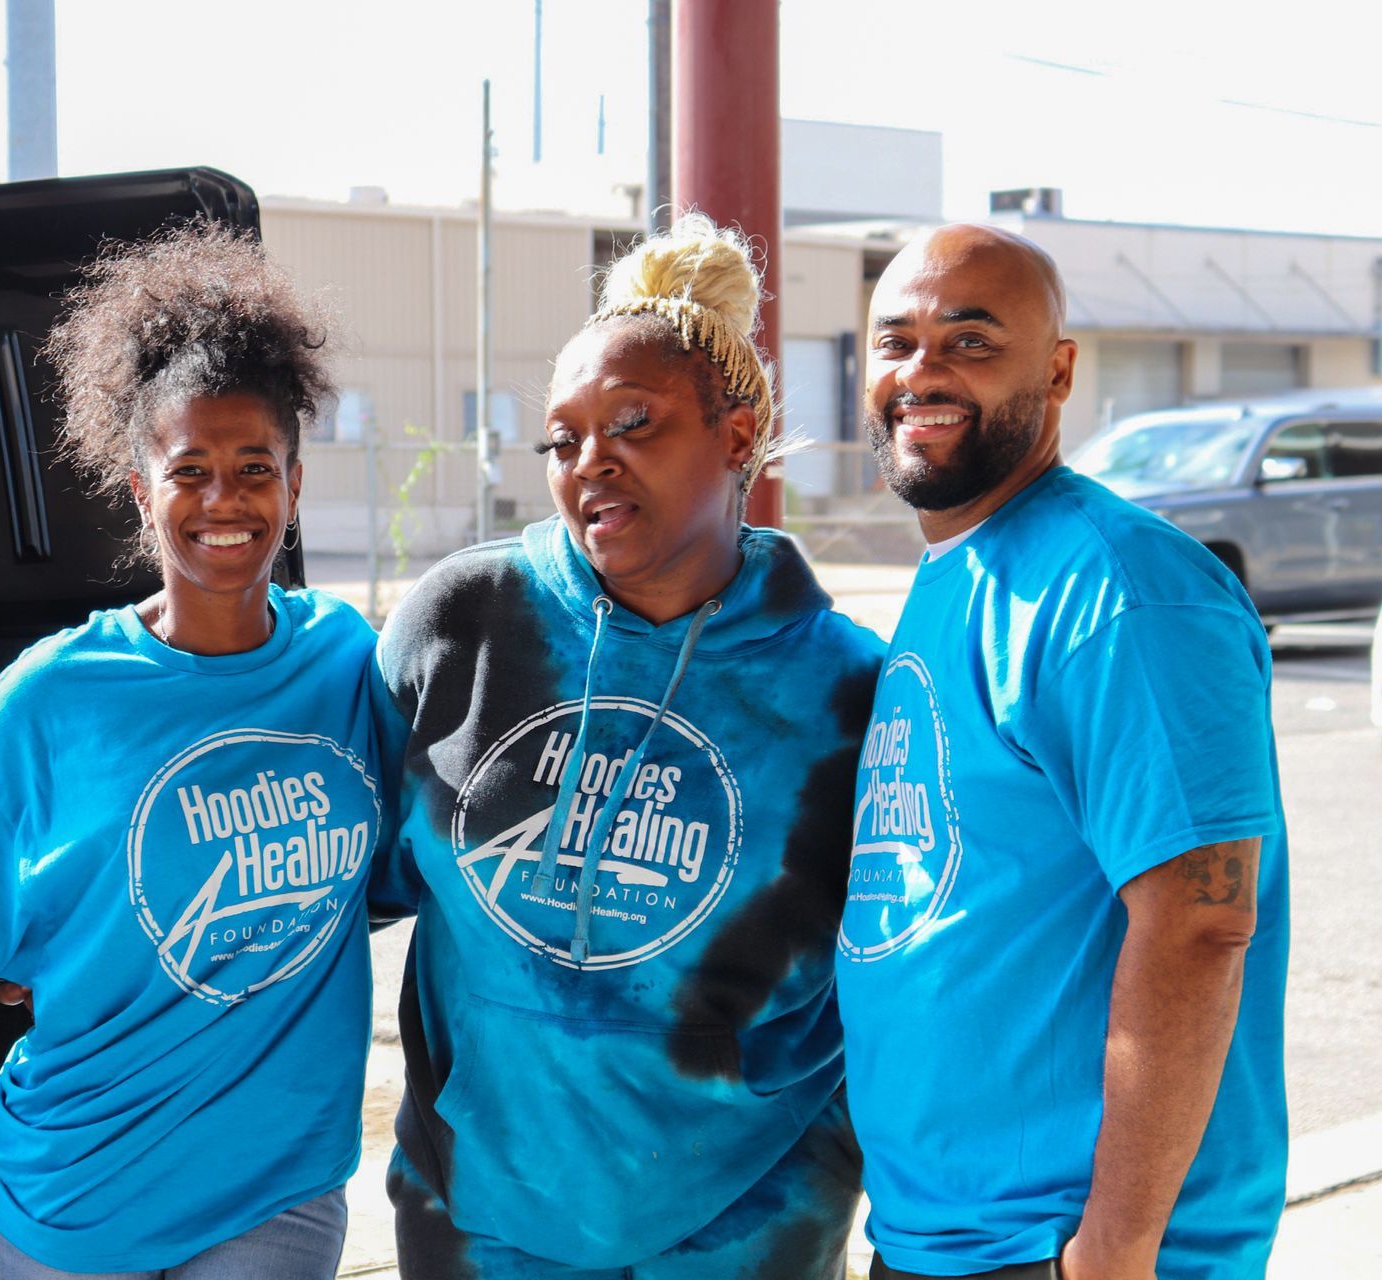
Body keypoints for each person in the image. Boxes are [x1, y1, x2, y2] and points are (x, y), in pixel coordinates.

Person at [0, 222, 388, 1280]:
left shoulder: (347, 661)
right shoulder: (50, 700)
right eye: (189, 468)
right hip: (73, 1208)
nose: (225, 499)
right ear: (143, 489)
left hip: (274, 1197)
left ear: (293, 481)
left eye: (256, 466)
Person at [372, 214, 884, 1278]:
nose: (588, 463)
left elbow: (905, 969)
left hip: (753, 1225)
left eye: (633, 423)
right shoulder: (467, 622)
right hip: (483, 1219)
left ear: (737, 436)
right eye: (562, 438)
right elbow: (329, 872)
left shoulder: (845, 685)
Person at [836, 224, 1289, 1280]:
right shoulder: (964, 568)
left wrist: (1115, 1249)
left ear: (1060, 368)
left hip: (1065, 1248)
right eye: (895, 340)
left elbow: (1202, 920)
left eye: (971, 340)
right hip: (950, 1233)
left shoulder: (1121, 589)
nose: (923, 371)